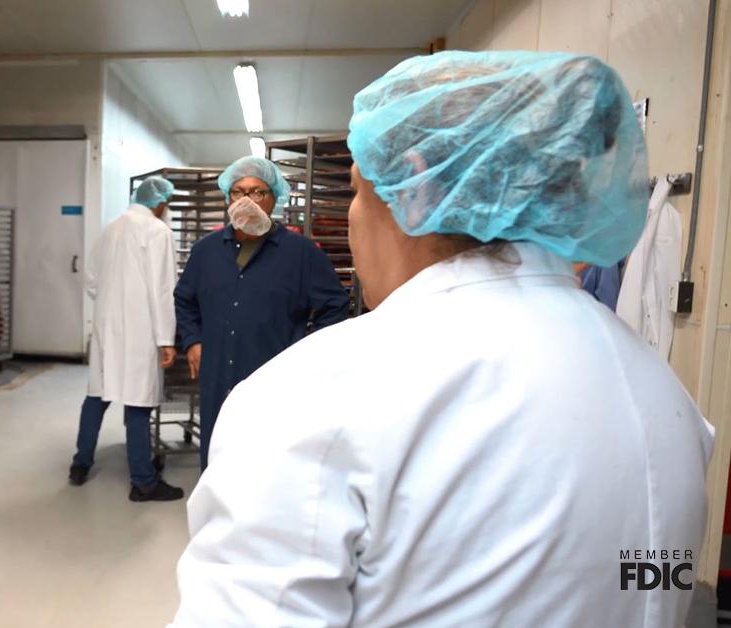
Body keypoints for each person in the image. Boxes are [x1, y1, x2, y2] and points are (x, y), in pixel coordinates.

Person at [172, 51, 713, 627]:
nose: (353, 216)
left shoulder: (310, 401)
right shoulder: (668, 399)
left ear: (418, 188)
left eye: (358, 189)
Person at [174, 156, 350, 469]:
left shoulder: (301, 253)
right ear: (228, 197)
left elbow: (335, 305)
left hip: (273, 381)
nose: (247, 200)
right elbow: (185, 298)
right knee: (217, 459)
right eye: (238, 192)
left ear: (274, 198)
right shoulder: (206, 251)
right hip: (217, 378)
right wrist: (193, 340)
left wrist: (306, 351)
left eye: (257, 192)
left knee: (266, 464)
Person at [69, 176, 185, 502]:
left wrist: (110, 302)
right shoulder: (157, 231)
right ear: (160, 202)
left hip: (107, 325)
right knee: (138, 404)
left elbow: (91, 277)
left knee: (97, 396)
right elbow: (162, 289)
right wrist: (166, 339)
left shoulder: (111, 227)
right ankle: (143, 482)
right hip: (141, 328)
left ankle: (80, 465)